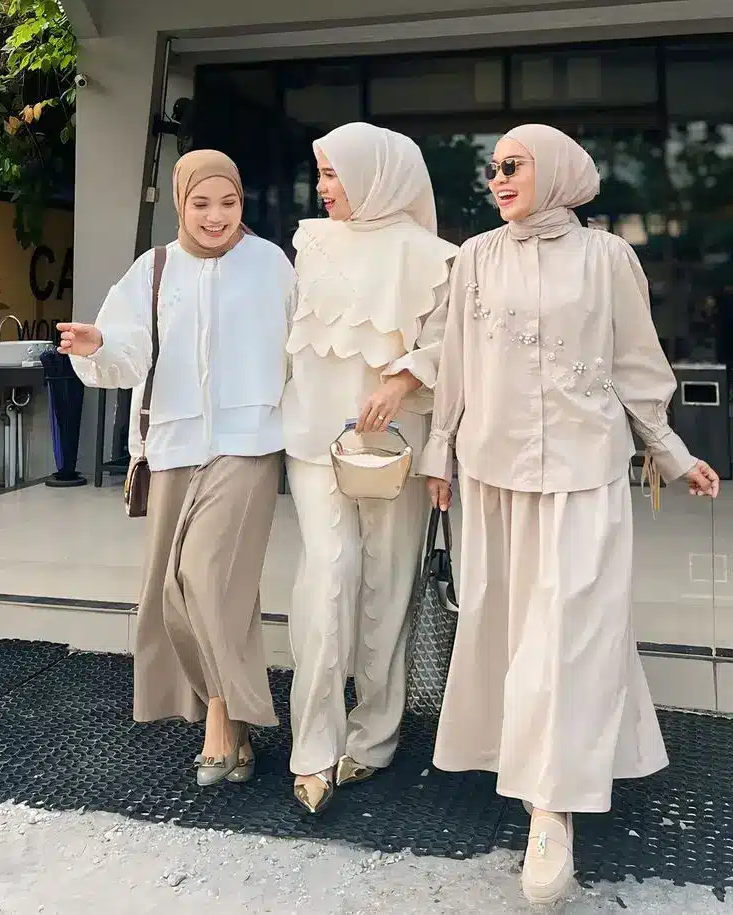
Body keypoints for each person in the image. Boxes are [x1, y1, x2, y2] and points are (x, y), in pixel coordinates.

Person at [420, 124, 720, 905]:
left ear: (553, 169)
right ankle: (543, 771)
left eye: (512, 165)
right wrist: (436, 450)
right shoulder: (477, 257)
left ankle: (551, 809)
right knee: (518, 630)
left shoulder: (609, 258)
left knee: (570, 632)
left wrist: (671, 450)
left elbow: (637, 365)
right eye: (493, 169)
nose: (498, 178)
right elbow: (454, 360)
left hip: (586, 473)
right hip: (493, 474)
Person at [58, 150, 295, 787]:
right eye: (201, 204)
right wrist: (99, 345)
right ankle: (235, 720)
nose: (217, 217)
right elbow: (129, 351)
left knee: (203, 575)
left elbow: (301, 348)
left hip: (249, 440)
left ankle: (221, 715)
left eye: (229, 202)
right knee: (179, 592)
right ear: (179, 202)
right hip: (172, 444)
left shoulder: (271, 265)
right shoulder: (153, 269)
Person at [282, 122, 458, 814]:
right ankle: (313, 746)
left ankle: (376, 734)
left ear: (378, 174)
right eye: (320, 173)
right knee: (329, 577)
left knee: (388, 586)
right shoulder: (308, 245)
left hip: (396, 450)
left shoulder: (435, 258)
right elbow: (286, 339)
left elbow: (449, 348)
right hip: (314, 441)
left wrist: (401, 382)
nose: (324, 188)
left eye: (335, 174)